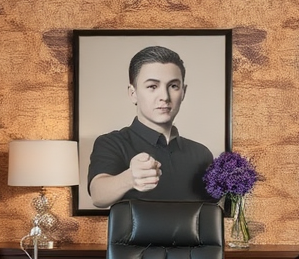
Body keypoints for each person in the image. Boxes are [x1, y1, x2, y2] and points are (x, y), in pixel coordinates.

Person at [87, 45, 214, 208]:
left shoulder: (201, 154)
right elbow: (98, 194)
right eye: (152, 86)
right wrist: (130, 178)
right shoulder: (112, 143)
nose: (165, 97)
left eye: (173, 86)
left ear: (183, 92)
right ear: (133, 93)